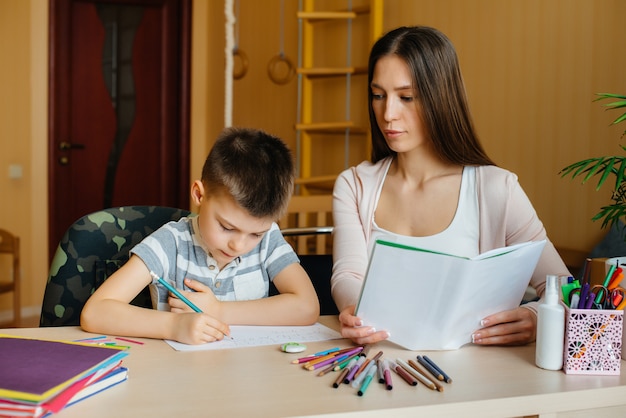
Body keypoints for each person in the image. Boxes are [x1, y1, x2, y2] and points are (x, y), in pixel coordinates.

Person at [330, 26, 570, 347]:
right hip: (377, 364)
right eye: (378, 95)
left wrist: (538, 318)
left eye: (406, 97)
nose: (387, 113)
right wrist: (354, 310)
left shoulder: (497, 189)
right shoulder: (355, 185)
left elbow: (564, 287)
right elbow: (348, 275)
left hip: (475, 377)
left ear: (440, 98)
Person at [81, 127, 320, 344]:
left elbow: (307, 306)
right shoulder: (170, 243)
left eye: (255, 233)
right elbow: (95, 312)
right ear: (199, 194)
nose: (238, 245)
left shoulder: (269, 240)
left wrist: (219, 310)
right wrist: (174, 326)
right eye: (226, 227)